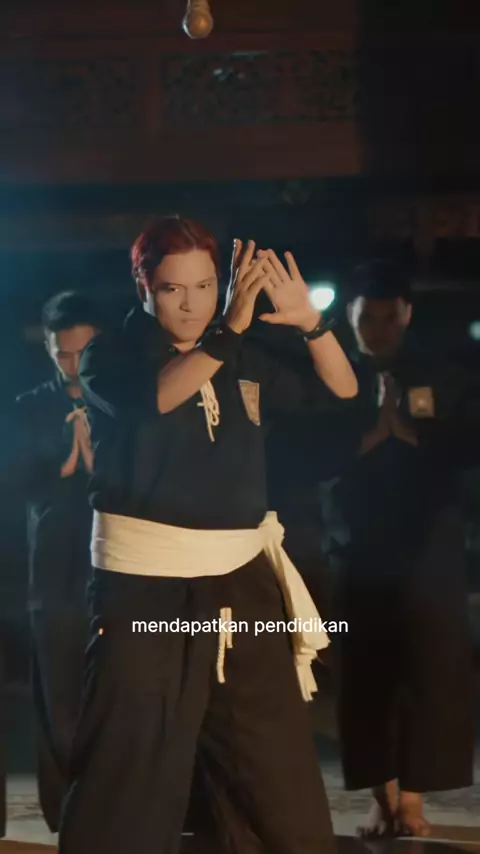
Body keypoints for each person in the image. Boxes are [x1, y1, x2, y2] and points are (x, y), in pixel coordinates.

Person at [58, 215, 358, 854]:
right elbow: (160, 398)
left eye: (204, 286)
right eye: (173, 289)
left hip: (241, 580)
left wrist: (313, 323)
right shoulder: (108, 355)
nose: (191, 303)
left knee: (272, 757)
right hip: (145, 589)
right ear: (144, 287)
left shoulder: (243, 350)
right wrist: (228, 331)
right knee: (131, 755)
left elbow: (342, 389)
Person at [319, 260, 477, 838]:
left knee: (431, 670)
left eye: (389, 318)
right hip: (355, 542)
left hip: (428, 542)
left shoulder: (443, 373)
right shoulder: (332, 373)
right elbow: (308, 452)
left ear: (406, 314)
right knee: (365, 672)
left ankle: (412, 800)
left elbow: (467, 447)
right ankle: (381, 800)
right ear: (349, 316)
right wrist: (368, 437)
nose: (378, 330)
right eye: (367, 319)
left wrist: (410, 433)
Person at [0, 291, 101, 833]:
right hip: (53, 569)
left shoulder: (123, 399)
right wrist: (61, 462)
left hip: (115, 566)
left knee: (114, 690)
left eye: (82, 352)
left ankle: (116, 800)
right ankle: (65, 809)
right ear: (46, 347)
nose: (73, 364)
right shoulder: (26, 408)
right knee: (58, 690)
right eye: (63, 353)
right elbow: (12, 480)